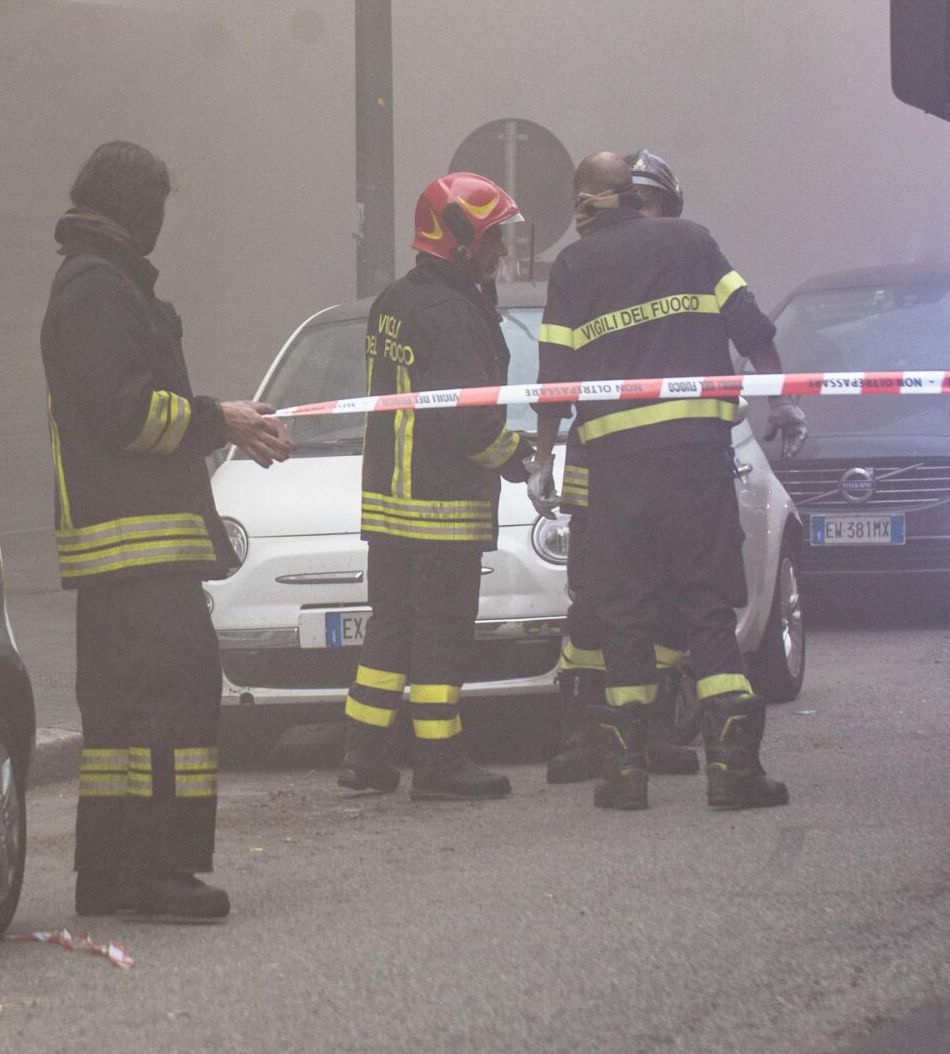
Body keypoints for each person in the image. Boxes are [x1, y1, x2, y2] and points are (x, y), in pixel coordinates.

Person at [42, 141, 291, 921]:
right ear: (133, 208)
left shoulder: (97, 283)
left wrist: (217, 423)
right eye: (156, 209)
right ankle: (159, 870)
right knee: (172, 708)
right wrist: (220, 420)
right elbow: (127, 413)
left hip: (128, 551)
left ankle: (111, 871)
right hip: (140, 547)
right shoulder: (97, 290)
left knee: (120, 721)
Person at [532, 151, 803, 810]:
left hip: (616, 473)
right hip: (696, 462)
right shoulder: (693, 240)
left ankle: (625, 776)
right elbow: (752, 327)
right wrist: (782, 401)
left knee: (623, 612)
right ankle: (733, 769)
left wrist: (544, 460)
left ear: (587, 203)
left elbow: (554, 378)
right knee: (706, 605)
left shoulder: (573, 266)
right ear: (634, 194)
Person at [338, 173, 535, 801]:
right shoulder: (453, 314)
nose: (500, 251)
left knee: (390, 625)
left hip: (389, 505)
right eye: (492, 238)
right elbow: (470, 419)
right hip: (443, 504)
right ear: (457, 240)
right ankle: (440, 760)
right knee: (443, 631)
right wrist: (519, 459)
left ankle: (365, 755)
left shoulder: (394, 301)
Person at [535, 151, 701, 785]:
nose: (643, 215)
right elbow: (557, 373)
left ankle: (649, 731)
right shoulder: (592, 271)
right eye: (636, 201)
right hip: (599, 468)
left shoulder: (677, 266)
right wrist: (545, 454)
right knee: (596, 607)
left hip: (665, 468)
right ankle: (586, 731)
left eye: (651, 203)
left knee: (662, 607)